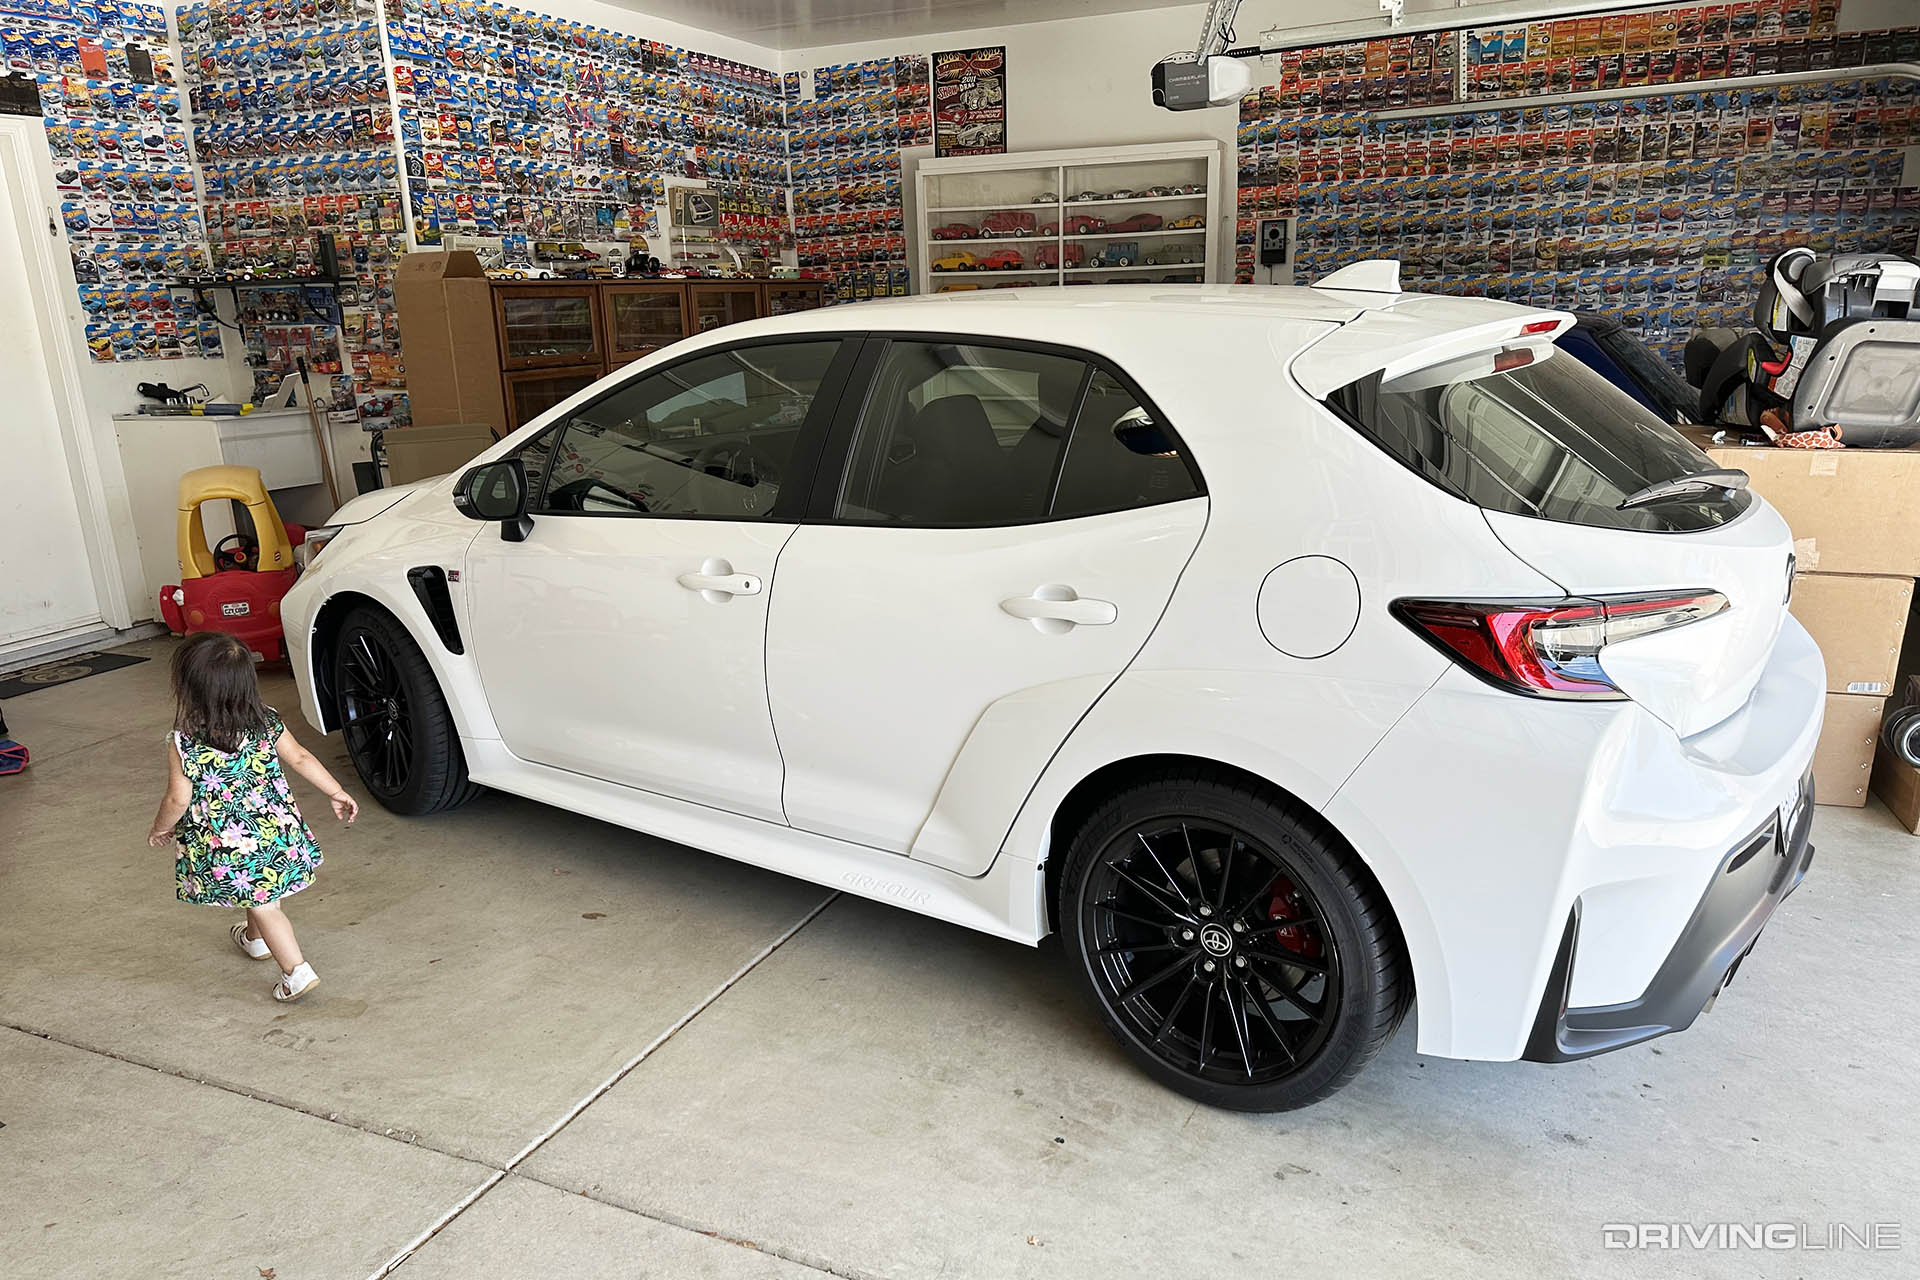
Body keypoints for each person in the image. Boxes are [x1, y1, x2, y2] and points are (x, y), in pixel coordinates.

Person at [146, 631, 357, 1002]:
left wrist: (161, 828)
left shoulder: (184, 742)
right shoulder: (266, 720)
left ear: (190, 689)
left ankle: (296, 972)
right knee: (258, 888)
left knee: (265, 901)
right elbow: (301, 758)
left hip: (229, 844)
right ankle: (255, 940)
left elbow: (178, 798)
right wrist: (335, 791)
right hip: (277, 832)